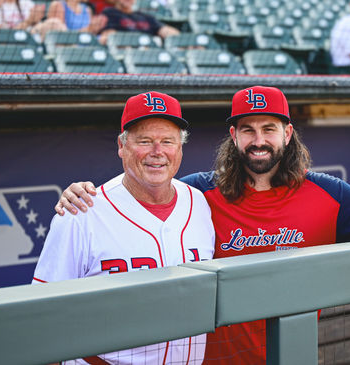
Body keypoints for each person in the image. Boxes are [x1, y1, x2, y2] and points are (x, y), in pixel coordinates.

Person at [55, 86, 350, 364]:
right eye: (248, 129)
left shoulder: (327, 191)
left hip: (291, 353)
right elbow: (140, 189)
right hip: (212, 358)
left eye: (269, 129)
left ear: (288, 133)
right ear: (233, 135)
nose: (258, 140)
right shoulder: (199, 191)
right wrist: (83, 194)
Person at [33, 91, 215, 364]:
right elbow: (41, 314)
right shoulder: (80, 211)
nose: (158, 152)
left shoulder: (198, 203)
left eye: (168, 141)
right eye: (145, 141)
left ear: (180, 147)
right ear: (122, 145)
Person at [98, 0, 179, 44]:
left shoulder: (145, 17)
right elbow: (108, 36)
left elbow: (167, 31)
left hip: (148, 52)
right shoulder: (110, 13)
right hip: (127, 52)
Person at [0, 0, 65, 37]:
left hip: (30, 37)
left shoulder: (27, 3)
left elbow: (35, 27)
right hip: (8, 41)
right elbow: (0, 34)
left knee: (55, 23)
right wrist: (28, 21)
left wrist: (36, 20)